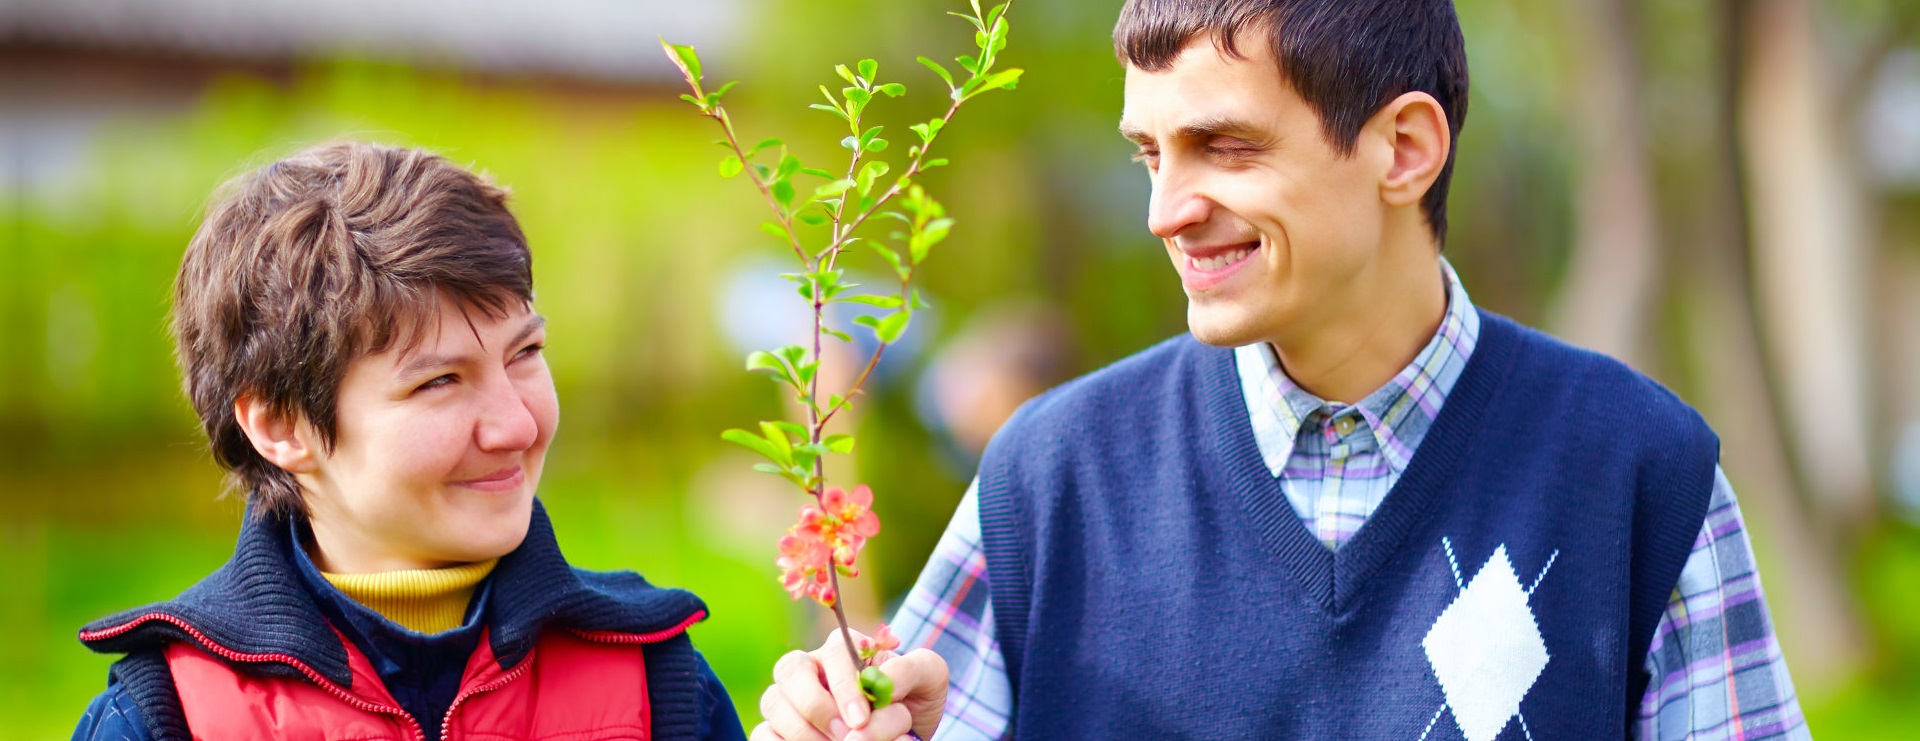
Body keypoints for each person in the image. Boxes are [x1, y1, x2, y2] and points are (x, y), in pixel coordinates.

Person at [755, 1, 1810, 739]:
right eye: (1150, 154)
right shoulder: (1052, 480)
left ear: (1404, 149)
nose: (1166, 211)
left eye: (1225, 147)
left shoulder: (1638, 473)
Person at [70, 142, 748, 741]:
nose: (515, 424)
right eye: (440, 381)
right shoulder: (167, 714)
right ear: (279, 425)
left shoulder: (658, 679)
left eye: (525, 352)